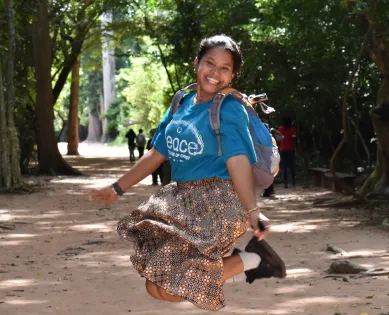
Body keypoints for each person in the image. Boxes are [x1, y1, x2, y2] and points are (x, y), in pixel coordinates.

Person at [89, 34, 285, 311]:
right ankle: (253, 259)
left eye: (224, 68)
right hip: (179, 203)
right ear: (196, 63)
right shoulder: (181, 102)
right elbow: (156, 154)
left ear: (232, 75)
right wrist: (116, 188)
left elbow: (238, 162)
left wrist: (251, 210)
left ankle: (254, 261)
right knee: (154, 286)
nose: (215, 73)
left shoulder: (229, 109)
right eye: (210, 63)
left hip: (218, 204)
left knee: (172, 288)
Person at [277, 116, 296, 188]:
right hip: (291, 149)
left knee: (284, 166)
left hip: (283, 149)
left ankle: (285, 183)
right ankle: (293, 181)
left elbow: (278, 139)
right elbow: (294, 139)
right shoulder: (292, 129)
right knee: (292, 165)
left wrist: (279, 147)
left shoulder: (280, 129)